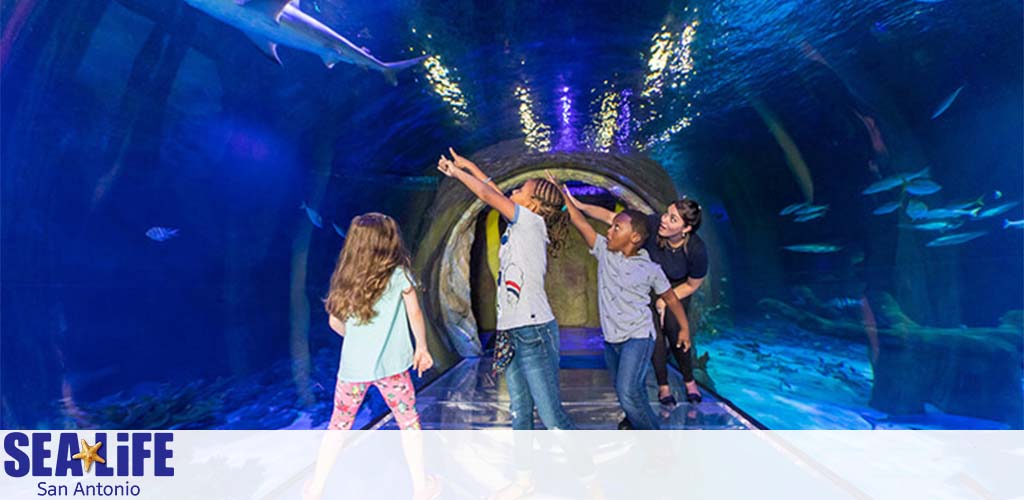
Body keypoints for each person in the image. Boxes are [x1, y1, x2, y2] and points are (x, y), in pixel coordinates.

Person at [437, 148, 576, 431]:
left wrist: (457, 173)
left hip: (534, 331)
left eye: (521, 190)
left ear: (534, 205)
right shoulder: (521, 224)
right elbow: (492, 188)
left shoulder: (531, 222)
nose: (513, 190)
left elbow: (489, 195)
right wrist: (471, 166)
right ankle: (523, 475)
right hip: (511, 330)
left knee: (552, 417)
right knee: (519, 410)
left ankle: (589, 476)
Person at [305, 213, 439, 500]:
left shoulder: (345, 278)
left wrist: (357, 341)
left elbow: (334, 323)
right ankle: (420, 488)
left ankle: (316, 488)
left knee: (338, 425)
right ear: (389, 242)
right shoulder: (400, 274)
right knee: (408, 422)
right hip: (393, 369)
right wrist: (421, 347)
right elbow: (415, 312)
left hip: (353, 370)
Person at [556, 177, 691, 430]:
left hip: (638, 337)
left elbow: (671, 298)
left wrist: (683, 328)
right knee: (628, 392)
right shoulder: (604, 252)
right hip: (611, 339)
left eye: (616, 228)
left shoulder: (650, 268)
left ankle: (655, 441)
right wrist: (565, 198)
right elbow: (581, 222)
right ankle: (636, 424)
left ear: (635, 237)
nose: (609, 231)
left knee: (627, 391)